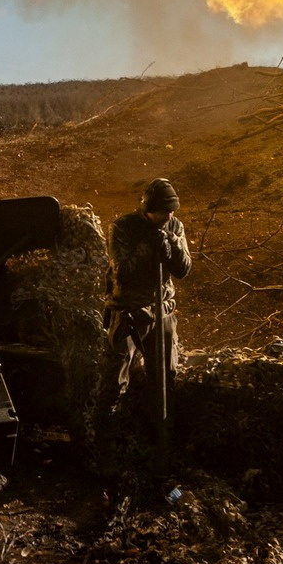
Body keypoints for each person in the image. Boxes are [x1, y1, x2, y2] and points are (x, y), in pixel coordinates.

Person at [107, 177, 193, 423]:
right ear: (148, 211)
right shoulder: (123, 228)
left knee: (165, 378)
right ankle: (111, 436)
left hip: (163, 312)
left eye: (171, 212)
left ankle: (158, 434)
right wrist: (147, 249)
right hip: (131, 312)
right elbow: (121, 274)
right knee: (117, 379)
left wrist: (173, 245)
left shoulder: (175, 226)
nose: (168, 217)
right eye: (163, 213)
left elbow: (184, 270)